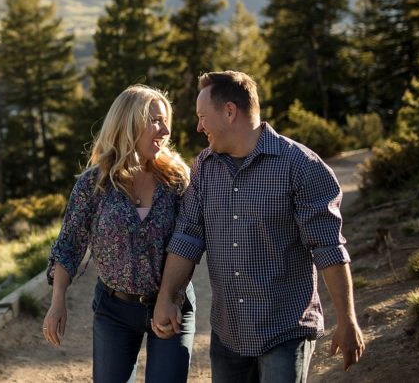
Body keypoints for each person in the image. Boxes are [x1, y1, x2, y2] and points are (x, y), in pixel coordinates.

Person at [151, 71, 365, 382]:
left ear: (229, 111)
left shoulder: (301, 167)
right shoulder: (204, 168)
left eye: (202, 117)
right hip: (228, 334)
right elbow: (187, 236)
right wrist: (167, 297)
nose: (199, 127)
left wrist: (346, 320)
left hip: (285, 331)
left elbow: (327, 247)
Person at [44, 85, 195, 383]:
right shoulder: (93, 184)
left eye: (166, 121)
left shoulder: (177, 179)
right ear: (128, 123)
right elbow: (69, 244)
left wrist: (172, 296)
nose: (165, 130)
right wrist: (57, 300)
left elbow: (190, 242)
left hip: (172, 304)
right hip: (114, 310)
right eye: (155, 120)